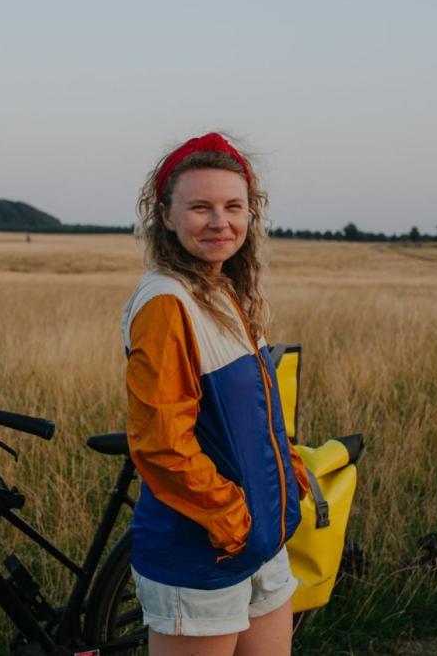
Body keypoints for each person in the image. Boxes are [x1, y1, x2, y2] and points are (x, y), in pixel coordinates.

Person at [122, 132, 310, 656]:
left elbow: (260, 412)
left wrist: (287, 479)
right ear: (166, 215)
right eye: (200, 207)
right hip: (202, 549)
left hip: (260, 541)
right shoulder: (167, 302)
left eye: (233, 206)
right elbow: (161, 443)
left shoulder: (224, 290)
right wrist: (234, 522)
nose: (220, 221)